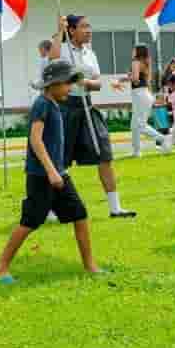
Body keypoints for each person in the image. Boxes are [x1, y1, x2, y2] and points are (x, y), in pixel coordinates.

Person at [0, 59, 102, 283]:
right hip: (42, 176)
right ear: (53, 84)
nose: (70, 88)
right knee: (30, 222)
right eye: (67, 83)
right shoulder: (42, 104)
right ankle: (0, 269)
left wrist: (58, 170)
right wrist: (51, 171)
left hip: (59, 173)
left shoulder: (54, 104)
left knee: (79, 214)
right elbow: (35, 140)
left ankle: (90, 266)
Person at [49, 14, 135, 219]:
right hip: (65, 107)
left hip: (87, 106)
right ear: (71, 30)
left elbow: (97, 83)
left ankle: (115, 208)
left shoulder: (90, 53)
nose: (89, 30)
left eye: (89, 26)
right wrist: (59, 31)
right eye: (83, 26)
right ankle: (51, 208)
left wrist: (84, 82)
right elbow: (52, 59)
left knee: (104, 154)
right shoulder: (62, 51)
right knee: (59, 160)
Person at [128, 43, 158, 158]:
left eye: (134, 50)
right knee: (134, 125)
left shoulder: (135, 62)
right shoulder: (146, 63)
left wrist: (128, 77)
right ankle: (136, 151)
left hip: (139, 95)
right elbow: (145, 80)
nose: (132, 52)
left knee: (140, 125)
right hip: (144, 94)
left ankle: (163, 139)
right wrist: (128, 77)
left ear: (138, 52)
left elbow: (135, 80)